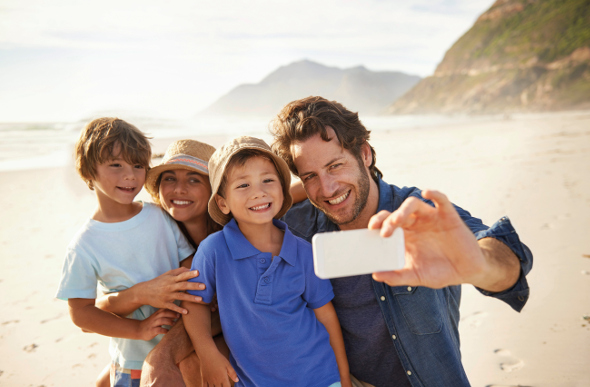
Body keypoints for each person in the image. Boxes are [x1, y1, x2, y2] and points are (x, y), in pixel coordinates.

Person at [140, 97, 533, 387]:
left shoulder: (420, 214)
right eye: (309, 176)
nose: (326, 189)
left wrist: (478, 266)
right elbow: (230, 280)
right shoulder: (295, 226)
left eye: (335, 166)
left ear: (364, 153)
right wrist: (163, 357)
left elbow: (505, 257)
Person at [183, 136, 351, 387]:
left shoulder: (304, 252)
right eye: (243, 185)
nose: (258, 192)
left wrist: (344, 380)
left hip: (321, 377)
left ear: (283, 191)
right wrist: (208, 354)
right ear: (223, 203)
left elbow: (327, 318)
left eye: (268, 180)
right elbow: (195, 303)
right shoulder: (213, 250)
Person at [55, 118, 196, 386]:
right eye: (116, 165)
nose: (130, 175)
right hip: (131, 360)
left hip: (181, 347)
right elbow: (81, 313)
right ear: (88, 171)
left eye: (138, 165)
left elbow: (188, 262)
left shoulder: (158, 215)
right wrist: (139, 329)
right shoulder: (84, 244)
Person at [94, 138, 227, 387]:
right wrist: (140, 293)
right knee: (103, 382)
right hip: (157, 334)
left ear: (215, 191)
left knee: (187, 366)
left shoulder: (229, 237)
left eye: (194, 179)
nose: (179, 189)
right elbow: (95, 310)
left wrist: (162, 356)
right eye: (169, 178)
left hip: (222, 333)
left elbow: (222, 310)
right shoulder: (152, 230)